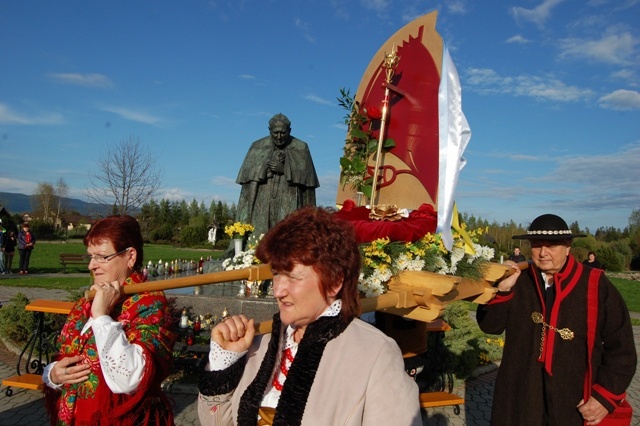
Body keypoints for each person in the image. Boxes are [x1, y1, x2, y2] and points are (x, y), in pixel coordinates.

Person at [198, 207, 421, 426]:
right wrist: (223, 365)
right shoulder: (261, 342)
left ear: (334, 282)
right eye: (276, 274)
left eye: (293, 277)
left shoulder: (376, 355)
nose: (277, 290)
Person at [476, 214, 636, 425]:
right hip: (521, 396)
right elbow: (490, 326)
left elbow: (622, 349)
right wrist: (503, 290)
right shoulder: (519, 280)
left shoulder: (595, 284)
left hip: (574, 402)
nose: (543, 253)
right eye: (536, 245)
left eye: (551, 246)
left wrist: (603, 397)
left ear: (568, 246)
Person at [43, 215, 177, 425]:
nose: (91, 266)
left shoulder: (150, 304)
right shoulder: (84, 305)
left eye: (101, 256)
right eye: (90, 256)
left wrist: (102, 317)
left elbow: (130, 380)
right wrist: (53, 376)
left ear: (130, 256)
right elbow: (66, 357)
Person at [235, 113, 319, 238]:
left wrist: (284, 169)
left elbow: (308, 184)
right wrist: (263, 169)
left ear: (289, 131)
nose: (279, 137)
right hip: (263, 199)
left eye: (283, 133)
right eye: (275, 133)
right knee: (260, 236)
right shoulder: (257, 146)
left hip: (289, 198)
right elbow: (248, 181)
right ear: (269, 131)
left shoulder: (301, 147)